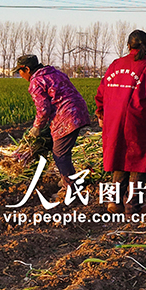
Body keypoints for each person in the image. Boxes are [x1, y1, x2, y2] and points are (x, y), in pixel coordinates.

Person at [95, 30, 146, 214]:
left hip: (113, 120)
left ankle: (114, 202)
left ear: (128, 45)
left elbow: (101, 93)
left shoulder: (116, 65)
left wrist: (100, 113)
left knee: (118, 157)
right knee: (138, 161)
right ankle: (133, 205)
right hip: (135, 119)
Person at [14, 54, 91, 190]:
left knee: (59, 153)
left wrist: (37, 128)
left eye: (20, 72)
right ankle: (68, 178)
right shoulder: (54, 72)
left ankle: (70, 187)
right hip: (79, 111)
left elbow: (43, 109)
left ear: (26, 69)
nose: (20, 75)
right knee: (62, 150)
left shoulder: (36, 81)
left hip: (66, 116)